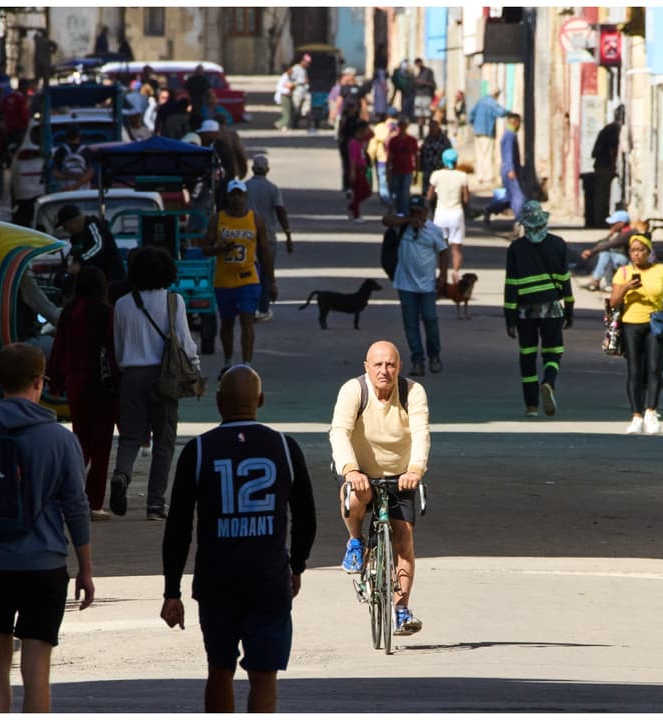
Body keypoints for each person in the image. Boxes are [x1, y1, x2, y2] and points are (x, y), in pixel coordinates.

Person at [161, 366, 317, 712]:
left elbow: (178, 526)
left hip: (217, 583)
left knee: (219, 669)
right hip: (268, 580)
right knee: (264, 675)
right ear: (260, 400)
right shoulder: (284, 447)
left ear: (218, 402)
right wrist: (297, 565)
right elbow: (306, 515)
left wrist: (172, 590)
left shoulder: (198, 451)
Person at [0, 344, 94, 713]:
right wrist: (86, 568)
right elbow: (76, 507)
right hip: (44, 565)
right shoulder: (60, 439)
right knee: (36, 669)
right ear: (39, 381)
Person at [331, 340, 431, 636]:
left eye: (390, 364)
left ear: (399, 366)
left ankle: (401, 610)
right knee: (357, 493)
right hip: (360, 469)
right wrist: (350, 469)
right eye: (378, 365)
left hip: (401, 474)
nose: (384, 371)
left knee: (404, 539)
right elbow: (339, 431)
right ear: (367, 368)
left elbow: (421, 433)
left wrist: (415, 469)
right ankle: (355, 542)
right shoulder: (354, 390)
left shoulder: (413, 392)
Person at [110, 247, 202, 520]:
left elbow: (118, 348)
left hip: (131, 377)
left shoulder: (122, 304)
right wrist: (194, 369)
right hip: (165, 378)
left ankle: (121, 474)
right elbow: (184, 343)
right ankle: (155, 505)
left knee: (130, 437)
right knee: (164, 442)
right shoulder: (174, 301)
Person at [47, 266, 119, 521]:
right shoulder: (106, 313)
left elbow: (59, 348)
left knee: (81, 443)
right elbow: (112, 351)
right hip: (101, 385)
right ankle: (92, 503)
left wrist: (55, 381)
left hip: (75, 384)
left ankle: (67, 494)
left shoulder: (69, 313)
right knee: (101, 447)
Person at [608, 233, 663, 435]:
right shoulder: (623, 272)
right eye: (633, 251)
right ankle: (636, 415)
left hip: (655, 326)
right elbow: (613, 302)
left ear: (648, 252)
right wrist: (627, 287)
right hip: (630, 325)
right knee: (635, 371)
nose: (637, 255)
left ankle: (651, 412)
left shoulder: (660, 272)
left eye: (641, 250)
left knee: (654, 369)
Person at [503, 201, 574, 417]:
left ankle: (532, 406)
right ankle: (549, 382)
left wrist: (510, 317)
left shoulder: (516, 248)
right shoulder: (558, 244)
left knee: (528, 356)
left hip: (525, 312)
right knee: (553, 352)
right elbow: (565, 280)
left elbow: (512, 285)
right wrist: (569, 309)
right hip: (551, 309)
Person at [205, 180, 274, 374]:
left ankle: (246, 364)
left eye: (240, 194)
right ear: (227, 197)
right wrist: (219, 248)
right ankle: (228, 362)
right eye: (233, 194)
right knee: (227, 322)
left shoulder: (255, 219)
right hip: (224, 280)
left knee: (247, 320)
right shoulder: (218, 219)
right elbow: (205, 247)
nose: (236, 198)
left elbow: (265, 251)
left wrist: (272, 281)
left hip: (248, 279)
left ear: (245, 196)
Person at [383, 195, 449, 376]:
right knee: (410, 324)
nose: (416, 215)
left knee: (430, 319)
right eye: (413, 212)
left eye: (419, 212)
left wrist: (442, 275)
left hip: (427, 285)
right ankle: (417, 360)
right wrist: (407, 219)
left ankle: (434, 355)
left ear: (426, 212)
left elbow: (444, 252)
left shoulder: (433, 230)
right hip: (405, 284)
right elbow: (385, 220)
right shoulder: (401, 226)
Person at [246, 154, 294, 322]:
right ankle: (263, 308)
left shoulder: (244, 187)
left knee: (250, 271)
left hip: (247, 236)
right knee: (266, 272)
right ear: (267, 170)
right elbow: (280, 211)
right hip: (268, 237)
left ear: (252, 169)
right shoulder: (273, 189)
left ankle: (249, 306)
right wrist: (288, 234)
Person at [425, 148, 469, 281]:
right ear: (456, 161)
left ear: (443, 161)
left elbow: (429, 196)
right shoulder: (462, 176)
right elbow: (466, 199)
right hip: (456, 213)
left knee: (441, 248)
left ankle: (442, 274)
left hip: (441, 214)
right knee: (456, 248)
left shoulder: (436, 175)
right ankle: (455, 272)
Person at [56, 203, 127, 286]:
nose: (66, 230)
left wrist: (80, 262)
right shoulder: (76, 237)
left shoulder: (93, 225)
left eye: (65, 227)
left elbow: (98, 246)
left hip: (110, 279)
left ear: (73, 222)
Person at [482, 113, 525, 223]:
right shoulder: (510, 135)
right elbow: (508, 153)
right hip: (509, 170)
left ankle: (490, 209)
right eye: (519, 122)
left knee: (510, 197)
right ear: (515, 122)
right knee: (518, 197)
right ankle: (519, 221)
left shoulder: (509, 134)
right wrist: (511, 169)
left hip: (508, 169)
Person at [328, 68, 365, 194]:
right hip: (345, 142)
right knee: (346, 164)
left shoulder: (359, 90)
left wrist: (365, 115)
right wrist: (333, 112)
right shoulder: (344, 119)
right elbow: (339, 101)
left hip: (354, 142)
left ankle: (355, 184)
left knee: (355, 163)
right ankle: (347, 185)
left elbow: (363, 102)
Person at [579, 210, 633, 292]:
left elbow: (609, 244)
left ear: (621, 223)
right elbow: (602, 243)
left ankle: (595, 281)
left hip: (630, 262)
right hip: (622, 260)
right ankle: (608, 284)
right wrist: (609, 235)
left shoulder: (628, 233)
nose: (611, 225)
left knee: (605, 253)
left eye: (614, 223)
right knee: (606, 256)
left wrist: (591, 252)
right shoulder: (622, 233)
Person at [468, 86, 507, 185]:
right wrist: (510, 113)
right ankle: (487, 177)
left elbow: (471, 115)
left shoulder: (481, 101)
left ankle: (480, 176)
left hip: (477, 132)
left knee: (479, 155)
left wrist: (475, 125)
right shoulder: (492, 103)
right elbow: (501, 113)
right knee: (487, 155)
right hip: (487, 132)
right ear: (496, 95)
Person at [385, 116, 419, 215]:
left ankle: (404, 212)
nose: (402, 127)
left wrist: (417, 171)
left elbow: (416, 156)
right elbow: (389, 158)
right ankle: (395, 210)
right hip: (395, 170)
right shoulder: (393, 140)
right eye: (401, 125)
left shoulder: (412, 140)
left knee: (405, 192)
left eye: (404, 125)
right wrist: (388, 172)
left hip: (408, 170)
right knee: (395, 192)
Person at [590, 114, 622, 221]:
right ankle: (600, 218)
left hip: (600, 164)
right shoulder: (614, 130)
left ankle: (599, 217)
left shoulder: (606, 129)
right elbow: (612, 150)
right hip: (604, 165)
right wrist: (613, 166)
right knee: (603, 193)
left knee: (601, 193)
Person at [368, 109, 399, 209]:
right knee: (393, 178)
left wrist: (371, 156)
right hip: (395, 159)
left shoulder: (380, 127)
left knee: (382, 179)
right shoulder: (399, 127)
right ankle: (392, 197)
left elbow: (373, 143)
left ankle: (385, 197)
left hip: (382, 158)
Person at [48, 125, 93, 192]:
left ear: (66, 136)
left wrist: (69, 178)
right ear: (79, 136)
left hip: (65, 190)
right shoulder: (86, 151)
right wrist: (75, 185)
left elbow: (55, 173)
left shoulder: (60, 151)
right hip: (83, 191)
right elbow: (90, 174)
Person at [417, 119, 452, 196]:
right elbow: (422, 153)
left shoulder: (444, 139)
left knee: (440, 192)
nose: (432, 128)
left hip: (440, 169)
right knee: (427, 193)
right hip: (428, 171)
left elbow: (449, 153)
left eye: (433, 126)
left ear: (438, 127)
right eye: (430, 127)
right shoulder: (427, 139)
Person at [347, 122, 373, 223]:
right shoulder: (353, 143)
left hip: (363, 169)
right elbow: (352, 159)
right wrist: (352, 171)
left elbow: (372, 134)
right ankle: (355, 214)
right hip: (357, 170)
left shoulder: (361, 141)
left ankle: (352, 206)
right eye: (365, 129)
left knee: (367, 192)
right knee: (358, 193)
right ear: (360, 130)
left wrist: (367, 128)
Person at [412, 58, 437, 138]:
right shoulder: (415, 73)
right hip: (418, 96)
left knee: (428, 115)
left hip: (426, 96)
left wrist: (424, 83)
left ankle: (431, 133)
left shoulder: (428, 72)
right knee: (419, 116)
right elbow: (412, 85)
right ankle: (421, 134)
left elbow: (433, 84)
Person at [291, 54, 311, 130]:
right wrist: (302, 81)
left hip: (305, 90)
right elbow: (292, 79)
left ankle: (306, 124)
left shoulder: (304, 70)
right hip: (297, 91)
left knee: (306, 107)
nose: (307, 64)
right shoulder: (296, 68)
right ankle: (294, 124)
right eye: (306, 62)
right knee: (296, 107)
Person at [274, 63, 296, 131]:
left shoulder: (289, 77)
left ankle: (285, 124)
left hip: (288, 96)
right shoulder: (284, 77)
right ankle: (280, 124)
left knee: (290, 111)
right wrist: (286, 91)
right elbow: (278, 87)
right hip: (284, 96)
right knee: (286, 113)